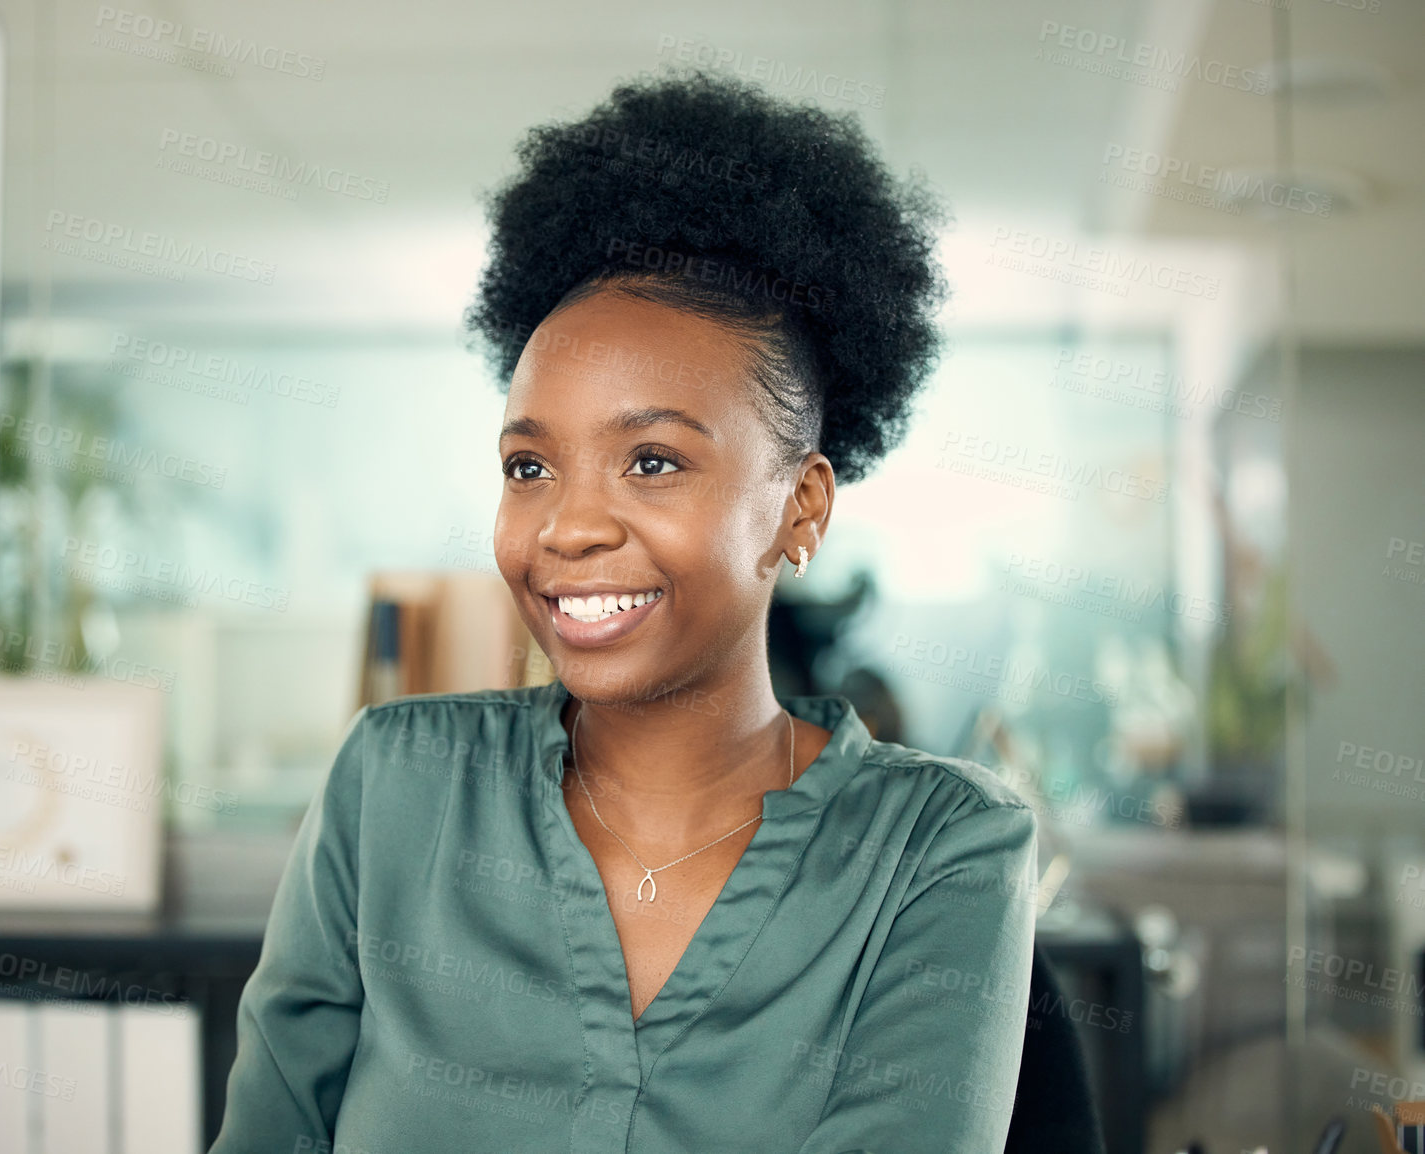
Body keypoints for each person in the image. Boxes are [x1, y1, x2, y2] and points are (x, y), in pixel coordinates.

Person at [211, 69, 1039, 1154]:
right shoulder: (394, 792)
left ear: (799, 506)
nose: (567, 526)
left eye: (650, 460)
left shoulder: (940, 850)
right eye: (529, 465)